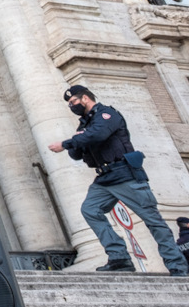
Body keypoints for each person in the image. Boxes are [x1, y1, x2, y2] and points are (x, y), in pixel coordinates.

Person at [47, 85, 188, 276]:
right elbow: (76, 154)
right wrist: (76, 140)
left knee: (153, 221)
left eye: (73, 102)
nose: (72, 106)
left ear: (85, 99)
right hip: (104, 179)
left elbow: (99, 134)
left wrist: (66, 143)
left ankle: (178, 266)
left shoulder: (107, 114)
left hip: (124, 174)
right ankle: (119, 257)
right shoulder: (84, 125)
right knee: (90, 209)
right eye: (69, 104)